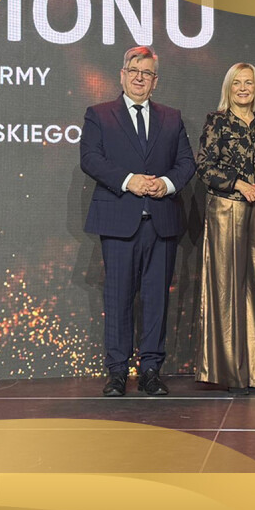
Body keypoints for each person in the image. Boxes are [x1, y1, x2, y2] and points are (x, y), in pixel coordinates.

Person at [80, 46, 196, 396]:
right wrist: (129, 180)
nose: (139, 78)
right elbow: (90, 158)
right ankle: (117, 372)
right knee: (117, 299)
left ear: (155, 81)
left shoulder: (172, 118)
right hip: (119, 221)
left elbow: (186, 163)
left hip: (162, 222)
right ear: (122, 75)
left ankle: (150, 370)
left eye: (146, 73)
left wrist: (167, 184)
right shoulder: (99, 114)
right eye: (134, 71)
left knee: (157, 299)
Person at [195, 63, 255, 394]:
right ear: (229, 88)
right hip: (226, 209)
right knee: (226, 288)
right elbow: (204, 167)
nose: (243, 88)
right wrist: (240, 184)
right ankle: (228, 372)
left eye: (249, 83)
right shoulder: (216, 121)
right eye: (237, 83)